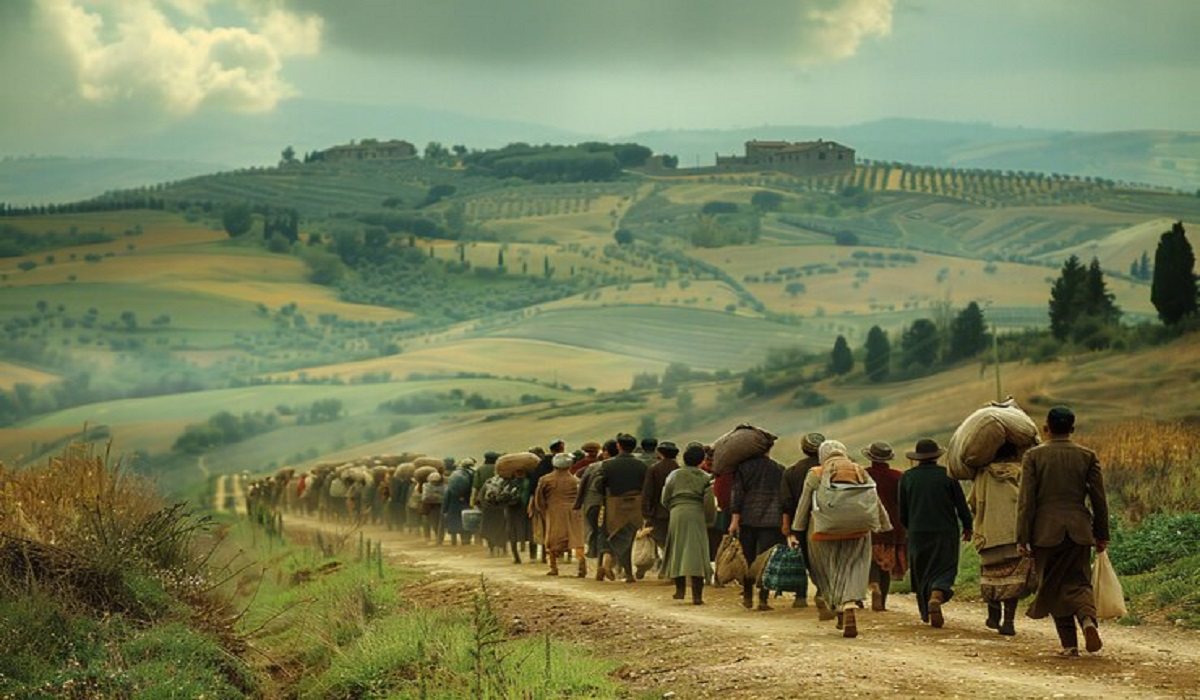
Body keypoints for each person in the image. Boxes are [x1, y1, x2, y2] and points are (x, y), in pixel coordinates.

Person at [1017, 406, 1110, 656]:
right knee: (1079, 581)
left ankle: (1069, 645)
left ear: (1046, 429)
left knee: (1052, 584)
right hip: (1079, 530)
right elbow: (1099, 498)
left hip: (1045, 532)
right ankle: (1088, 620)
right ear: (1072, 429)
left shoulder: (1033, 456)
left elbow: (1027, 500)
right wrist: (1102, 534)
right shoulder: (1087, 456)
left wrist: (1022, 537)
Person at [792, 440, 889, 638]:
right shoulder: (860, 471)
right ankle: (850, 602)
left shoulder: (816, 473)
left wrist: (797, 529)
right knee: (854, 566)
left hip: (822, 532)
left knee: (826, 569)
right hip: (858, 531)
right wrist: (884, 524)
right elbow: (873, 498)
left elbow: (804, 505)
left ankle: (837, 606)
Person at [898, 438, 973, 629]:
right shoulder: (948, 475)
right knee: (945, 566)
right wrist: (968, 526)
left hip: (917, 531)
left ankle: (928, 606)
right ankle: (937, 595)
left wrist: (910, 528)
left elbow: (902, 511)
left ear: (918, 458)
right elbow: (961, 505)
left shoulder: (907, 477)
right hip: (945, 531)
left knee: (922, 570)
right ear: (936, 457)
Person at [970, 442, 1035, 636]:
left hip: (988, 534)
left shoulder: (983, 474)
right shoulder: (1023, 472)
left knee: (991, 577)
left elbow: (972, 502)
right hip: (1014, 534)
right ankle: (1008, 622)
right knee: (1013, 580)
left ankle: (993, 615)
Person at [729, 440, 785, 611]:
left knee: (748, 557)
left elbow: (737, 495)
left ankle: (747, 596)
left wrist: (734, 521)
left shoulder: (743, 469)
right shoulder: (779, 468)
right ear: (768, 450)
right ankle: (763, 599)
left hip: (748, 519)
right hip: (772, 520)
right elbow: (784, 497)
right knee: (766, 560)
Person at [661, 442, 714, 605]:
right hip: (696, 514)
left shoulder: (674, 475)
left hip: (676, 513)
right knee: (696, 552)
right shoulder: (705, 478)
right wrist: (709, 519)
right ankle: (697, 596)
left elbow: (665, 498)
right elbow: (708, 502)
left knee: (678, 549)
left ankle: (680, 590)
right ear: (701, 460)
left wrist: (675, 507)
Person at [595, 433, 648, 583]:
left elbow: (599, 485)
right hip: (635, 505)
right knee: (629, 538)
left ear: (618, 446)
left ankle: (606, 560)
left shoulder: (608, 465)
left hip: (614, 504)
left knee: (609, 534)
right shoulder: (641, 465)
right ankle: (629, 573)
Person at [779, 431, 824, 608]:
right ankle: (824, 591)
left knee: (802, 558)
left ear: (803, 449)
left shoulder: (792, 471)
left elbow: (786, 502)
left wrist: (786, 525)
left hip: (801, 522)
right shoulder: (831, 468)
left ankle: (800, 596)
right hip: (829, 520)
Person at [862, 441, 906, 612]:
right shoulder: (897, 476)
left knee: (870, 559)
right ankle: (883, 601)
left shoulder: (864, 475)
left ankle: (874, 586)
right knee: (886, 563)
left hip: (868, 525)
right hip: (892, 526)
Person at [533, 453, 586, 577]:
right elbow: (581, 497)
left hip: (554, 512)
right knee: (577, 538)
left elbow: (539, 499)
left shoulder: (545, 479)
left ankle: (553, 567)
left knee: (553, 539)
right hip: (575, 511)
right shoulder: (576, 480)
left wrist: (543, 511)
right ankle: (581, 565)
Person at [641, 441, 681, 577]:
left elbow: (648, 493)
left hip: (658, 512)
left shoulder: (654, 469)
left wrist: (646, 513)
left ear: (660, 453)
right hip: (676, 511)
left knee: (662, 542)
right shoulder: (678, 469)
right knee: (675, 541)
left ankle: (666, 569)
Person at [576, 439, 617, 565]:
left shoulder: (593, 467)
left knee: (597, 531)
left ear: (605, 452)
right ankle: (613, 560)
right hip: (615, 505)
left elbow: (582, 483)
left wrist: (578, 503)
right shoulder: (620, 466)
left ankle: (599, 559)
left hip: (594, 504)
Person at [474, 451, 507, 556]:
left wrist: (477, 503)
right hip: (501, 508)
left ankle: (491, 549)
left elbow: (477, 489)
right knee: (502, 528)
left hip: (488, 507)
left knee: (489, 527)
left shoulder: (483, 473)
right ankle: (502, 549)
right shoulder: (505, 479)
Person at [442, 458, 475, 546]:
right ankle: (465, 541)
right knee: (466, 520)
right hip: (466, 500)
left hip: (453, 502)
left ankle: (454, 541)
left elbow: (447, 493)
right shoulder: (472, 474)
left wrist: (444, 509)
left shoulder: (454, 474)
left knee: (454, 521)